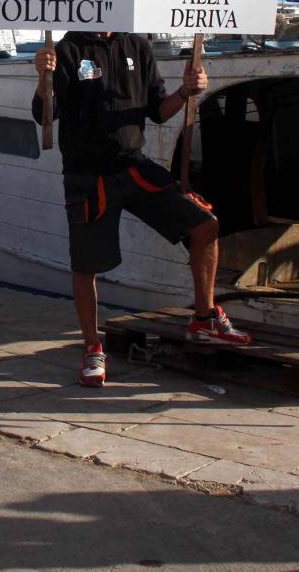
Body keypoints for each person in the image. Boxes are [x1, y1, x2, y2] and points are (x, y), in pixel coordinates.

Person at [32, 32, 251, 388]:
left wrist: (186, 92)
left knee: (204, 225)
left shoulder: (137, 45)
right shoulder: (68, 48)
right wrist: (44, 80)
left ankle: (205, 318)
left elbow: (159, 111)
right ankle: (91, 347)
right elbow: (47, 115)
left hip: (134, 167)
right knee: (86, 266)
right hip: (88, 176)